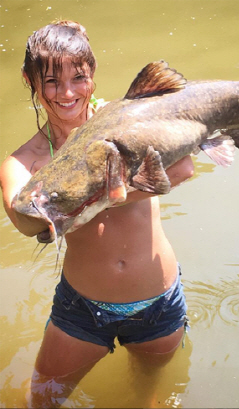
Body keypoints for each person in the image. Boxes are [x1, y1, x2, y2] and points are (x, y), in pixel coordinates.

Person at [0, 20, 195, 406]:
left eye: (79, 77)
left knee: (146, 396)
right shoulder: (24, 162)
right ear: (30, 79)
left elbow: (183, 168)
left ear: (93, 75)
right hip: (82, 311)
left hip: (159, 302)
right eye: (52, 81)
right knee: (41, 399)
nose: (68, 92)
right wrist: (106, 194)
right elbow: (25, 221)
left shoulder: (128, 121)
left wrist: (103, 197)